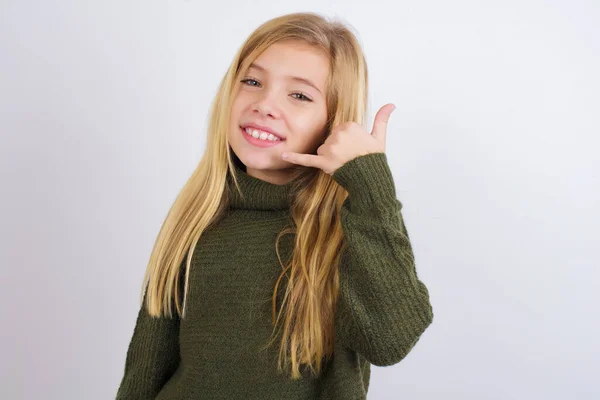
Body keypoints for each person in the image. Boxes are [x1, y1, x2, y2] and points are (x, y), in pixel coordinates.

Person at [115, 11, 434, 400]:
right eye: (252, 81)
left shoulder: (349, 230)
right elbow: (145, 369)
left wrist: (369, 185)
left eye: (299, 95)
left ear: (334, 123)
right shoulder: (196, 216)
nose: (264, 104)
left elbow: (391, 341)